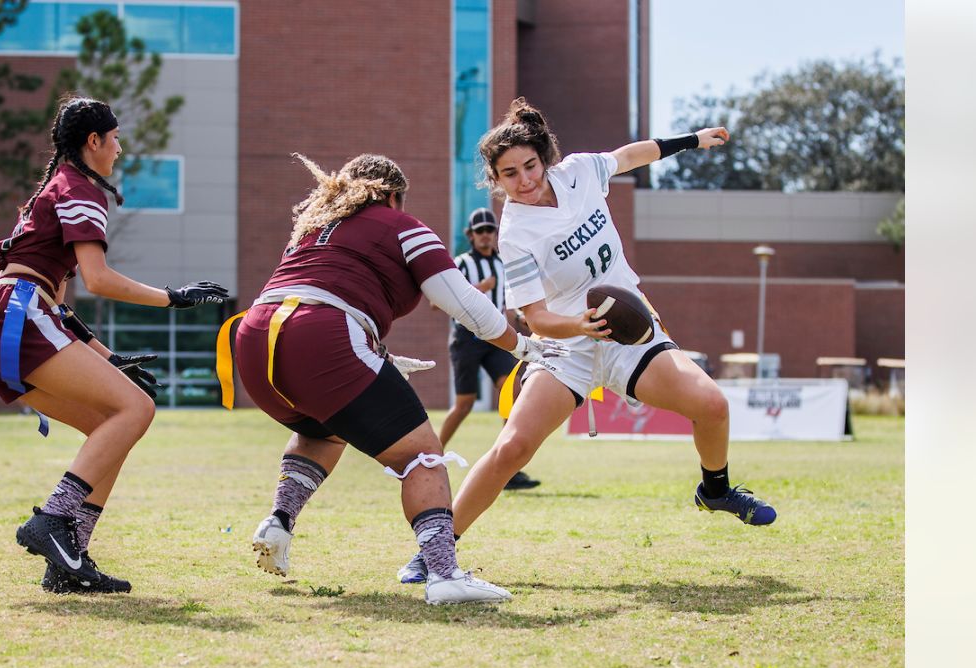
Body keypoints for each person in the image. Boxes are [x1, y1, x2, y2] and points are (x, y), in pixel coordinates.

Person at [396, 98, 777, 583]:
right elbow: (535, 317)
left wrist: (693, 140)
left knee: (713, 405)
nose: (526, 180)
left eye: (530, 165)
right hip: (568, 348)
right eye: (510, 174)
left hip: (628, 335)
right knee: (512, 448)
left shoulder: (579, 173)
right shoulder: (514, 233)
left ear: (545, 158)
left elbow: (631, 156)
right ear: (496, 180)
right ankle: (436, 552)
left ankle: (716, 490)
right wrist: (582, 326)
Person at [230, 152, 568, 605]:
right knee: (424, 455)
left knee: (324, 432)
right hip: (323, 336)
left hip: (253, 341)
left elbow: (319, 291)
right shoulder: (398, 224)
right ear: (392, 196)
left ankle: (279, 521)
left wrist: (371, 351)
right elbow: (463, 301)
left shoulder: (314, 227)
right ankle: (445, 575)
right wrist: (521, 345)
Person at [0, 96, 228, 594]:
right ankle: (53, 521)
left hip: (3, 319)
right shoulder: (80, 188)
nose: (120, 149)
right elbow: (97, 280)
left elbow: (58, 303)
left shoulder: (59, 186)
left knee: (110, 426)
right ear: (94, 141)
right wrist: (173, 298)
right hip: (18, 314)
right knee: (137, 410)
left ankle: (69, 558)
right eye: (116, 138)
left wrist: (108, 358)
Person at [438, 207, 540, 491]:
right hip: (465, 338)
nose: (485, 236)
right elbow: (437, 301)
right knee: (464, 405)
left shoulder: (503, 264)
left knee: (512, 392)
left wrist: (520, 317)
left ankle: (509, 467)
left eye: (490, 230)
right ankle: (429, 457)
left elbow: (511, 301)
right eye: (479, 231)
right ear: (470, 236)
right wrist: (479, 288)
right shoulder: (460, 263)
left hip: (495, 337)